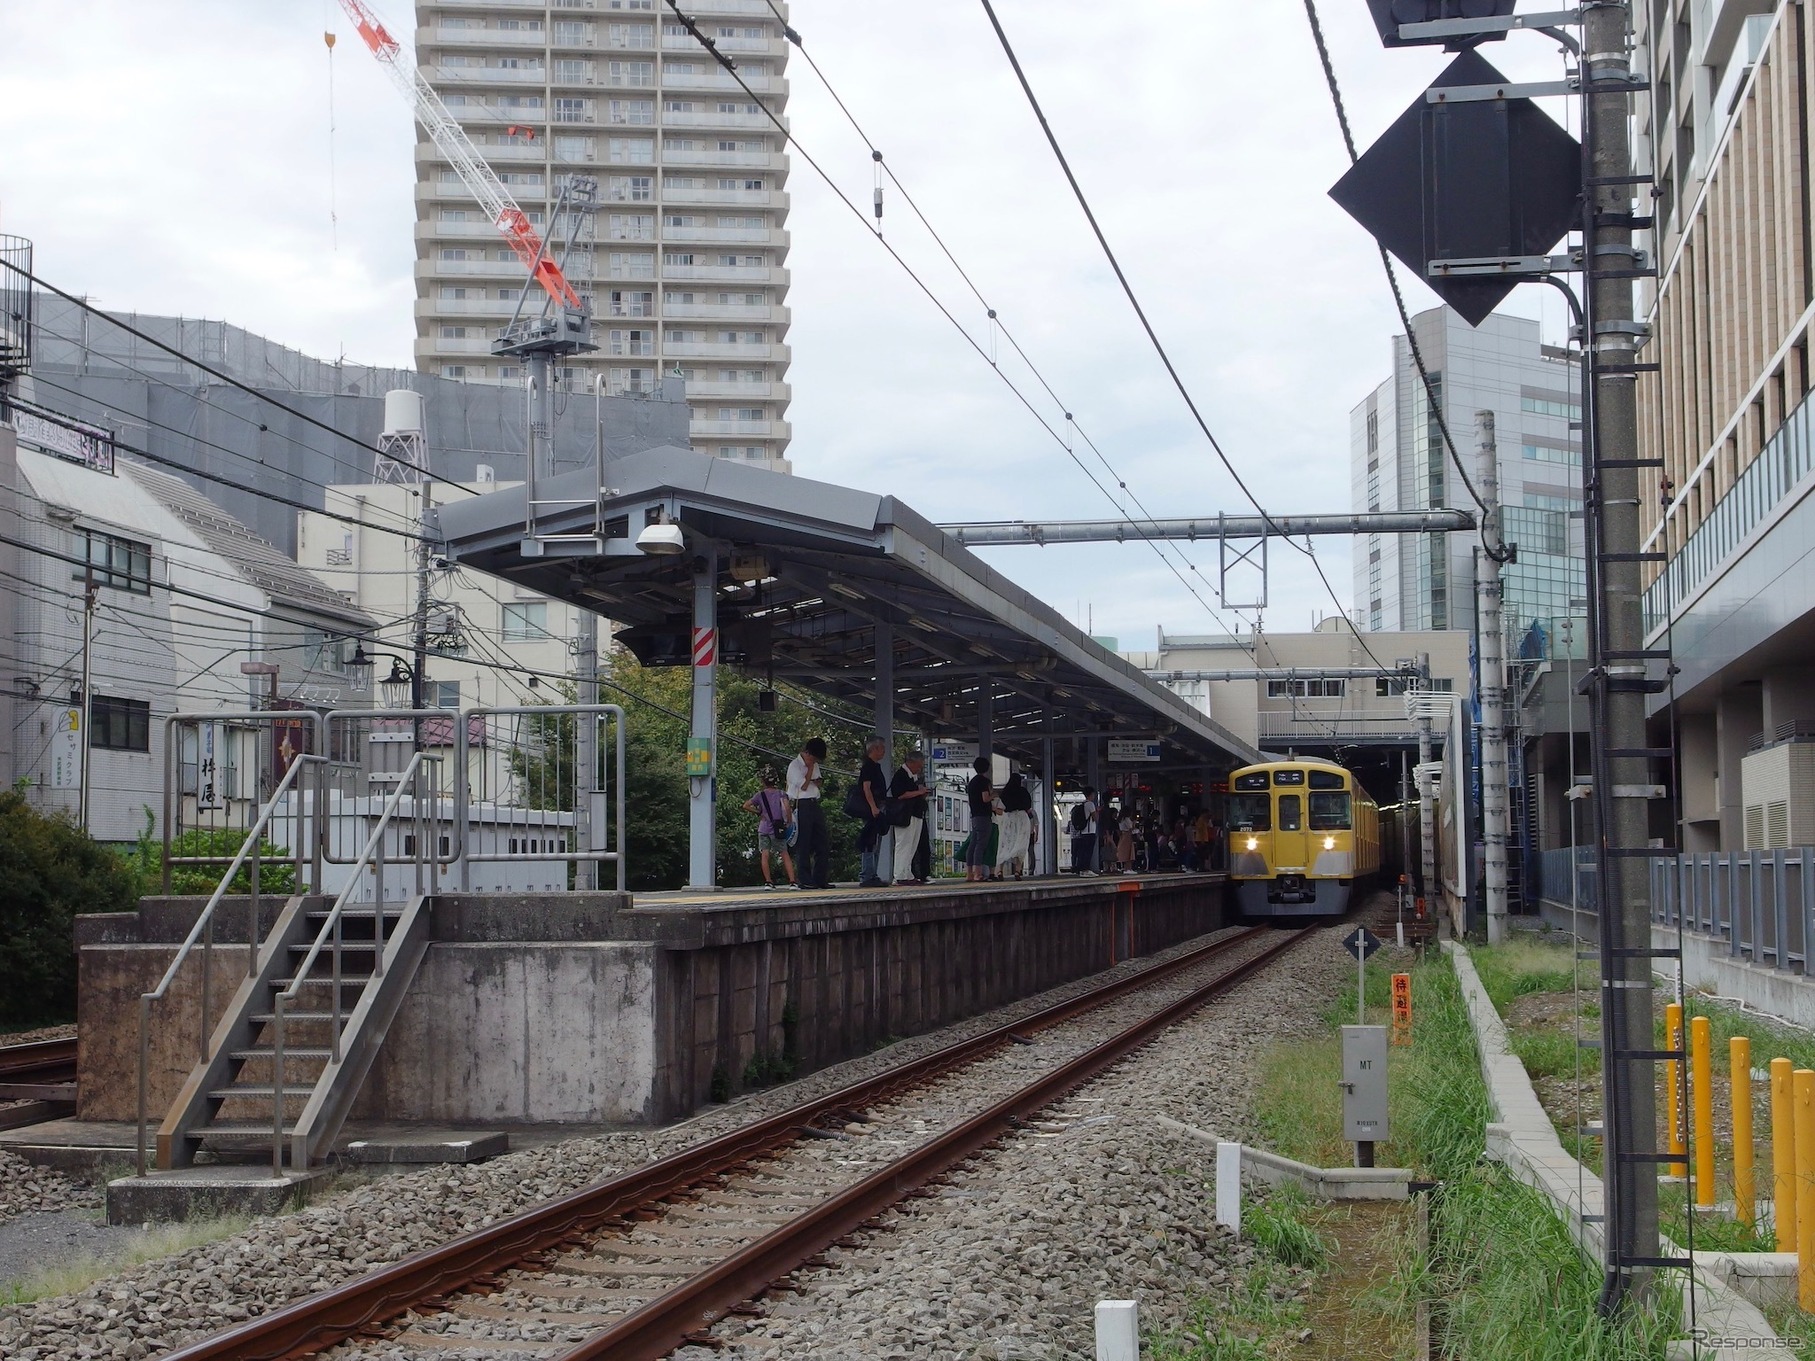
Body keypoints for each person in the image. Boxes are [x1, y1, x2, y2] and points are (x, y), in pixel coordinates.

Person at [741, 767, 795, 890]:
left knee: (765, 854)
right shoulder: (781, 793)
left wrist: (759, 813)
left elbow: (746, 805)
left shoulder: (760, 795)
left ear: (763, 781)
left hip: (763, 828)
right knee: (784, 853)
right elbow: (787, 808)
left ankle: (768, 882)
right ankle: (792, 881)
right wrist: (789, 822)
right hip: (777, 828)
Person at [787, 736, 830, 889]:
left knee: (822, 841)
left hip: (814, 802)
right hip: (802, 803)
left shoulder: (815, 764)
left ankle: (820, 878)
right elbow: (804, 785)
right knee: (804, 842)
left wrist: (813, 775)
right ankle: (805, 879)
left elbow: (817, 781)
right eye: (815, 758)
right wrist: (810, 769)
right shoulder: (795, 766)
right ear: (809, 754)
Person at [889, 750, 933, 885]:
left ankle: (907, 873)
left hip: (916, 813)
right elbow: (900, 795)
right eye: (918, 766)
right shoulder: (900, 775)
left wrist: (921, 793)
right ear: (911, 762)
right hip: (905, 815)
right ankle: (899, 875)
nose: (919, 769)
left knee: (912, 846)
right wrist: (918, 792)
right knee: (903, 844)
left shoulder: (913, 777)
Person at [856, 736, 891, 888]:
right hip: (873, 807)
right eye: (882, 748)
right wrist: (873, 807)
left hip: (878, 806)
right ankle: (867, 874)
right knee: (870, 841)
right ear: (874, 749)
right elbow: (866, 788)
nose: (883, 751)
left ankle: (873, 873)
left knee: (876, 842)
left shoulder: (875, 766)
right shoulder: (868, 766)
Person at [996, 772, 1035, 879]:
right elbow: (1028, 808)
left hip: (1009, 818)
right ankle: (1018, 871)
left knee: (1005, 844)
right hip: (1022, 818)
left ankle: (999, 871)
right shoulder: (1023, 792)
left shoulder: (1005, 792)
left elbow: (1000, 808)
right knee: (1020, 844)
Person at [965, 756, 995, 883]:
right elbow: (985, 798)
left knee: (973, 844)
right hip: (983, 815)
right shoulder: (983, 781)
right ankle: (978, 874)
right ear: (987, 768)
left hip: (974, 815)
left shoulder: (971, 782)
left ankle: (969, 874)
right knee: (980, 844)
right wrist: (994, 795)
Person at [1070, 788, 1098, 874]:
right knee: (1088, 852)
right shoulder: (1090, 804)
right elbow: (1095, 818)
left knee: (1083, 851)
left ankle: (1081, 869)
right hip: (1090, 831)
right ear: (1091, 794)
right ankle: (1086, 869)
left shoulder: (1083, 804)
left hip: (1083, 831)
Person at [1116, 808, 1136, 873]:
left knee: (1124, 852)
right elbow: (1131, 828)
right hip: (1128, 835)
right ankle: (1128, 868)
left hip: (1122, 835)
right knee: (1129, 852)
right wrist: (1134, 823)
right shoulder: (1127, 819)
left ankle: (1125, 868)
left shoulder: (1120, 819)